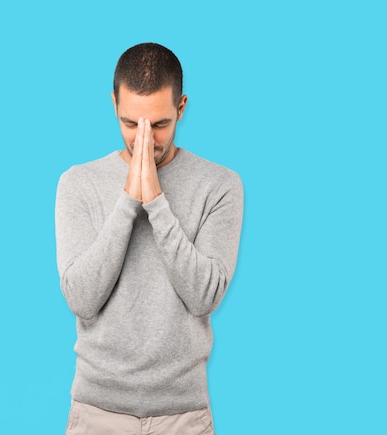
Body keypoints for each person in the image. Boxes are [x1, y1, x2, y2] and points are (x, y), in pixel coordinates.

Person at [55, 42, 243, 435]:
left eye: (159, 125)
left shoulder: (220, 185)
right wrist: (128, 200)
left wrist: (156, 200)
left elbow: (204, 296)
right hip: (97, 412)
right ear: (113, 105)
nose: (144, 140)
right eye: (130, 123)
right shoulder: (78, 183)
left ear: (181, 108)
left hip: (184, 415)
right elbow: (81, 299)